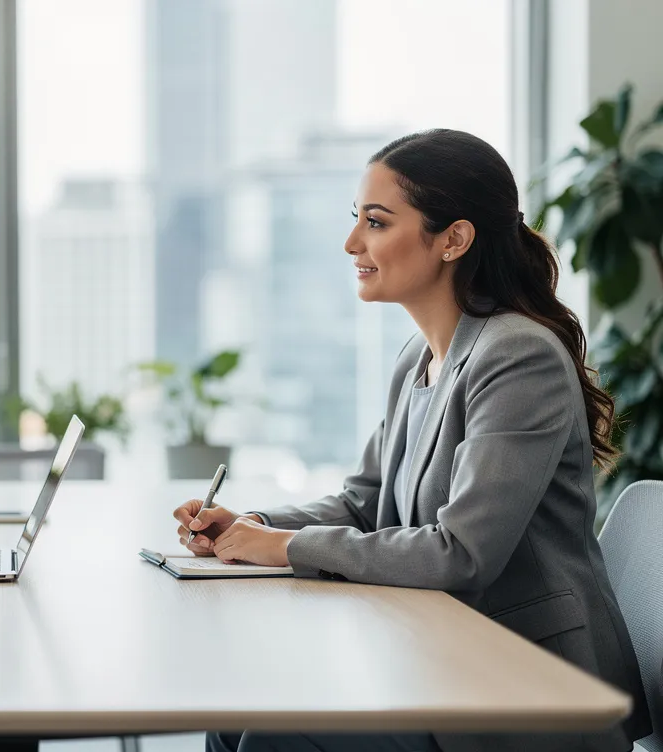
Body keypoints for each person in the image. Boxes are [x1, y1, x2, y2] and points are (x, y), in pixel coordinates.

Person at [172, 129, 652, 752]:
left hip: (525, 685)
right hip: (438, 654)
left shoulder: (517, 356)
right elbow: (363, 502)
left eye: (376, 222)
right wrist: (251, 525)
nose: (352, 244)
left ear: (453, 238)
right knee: (238, 707)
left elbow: (462, 554)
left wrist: (283, 546)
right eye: (357, 220)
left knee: (276, 729)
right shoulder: (419, 357)